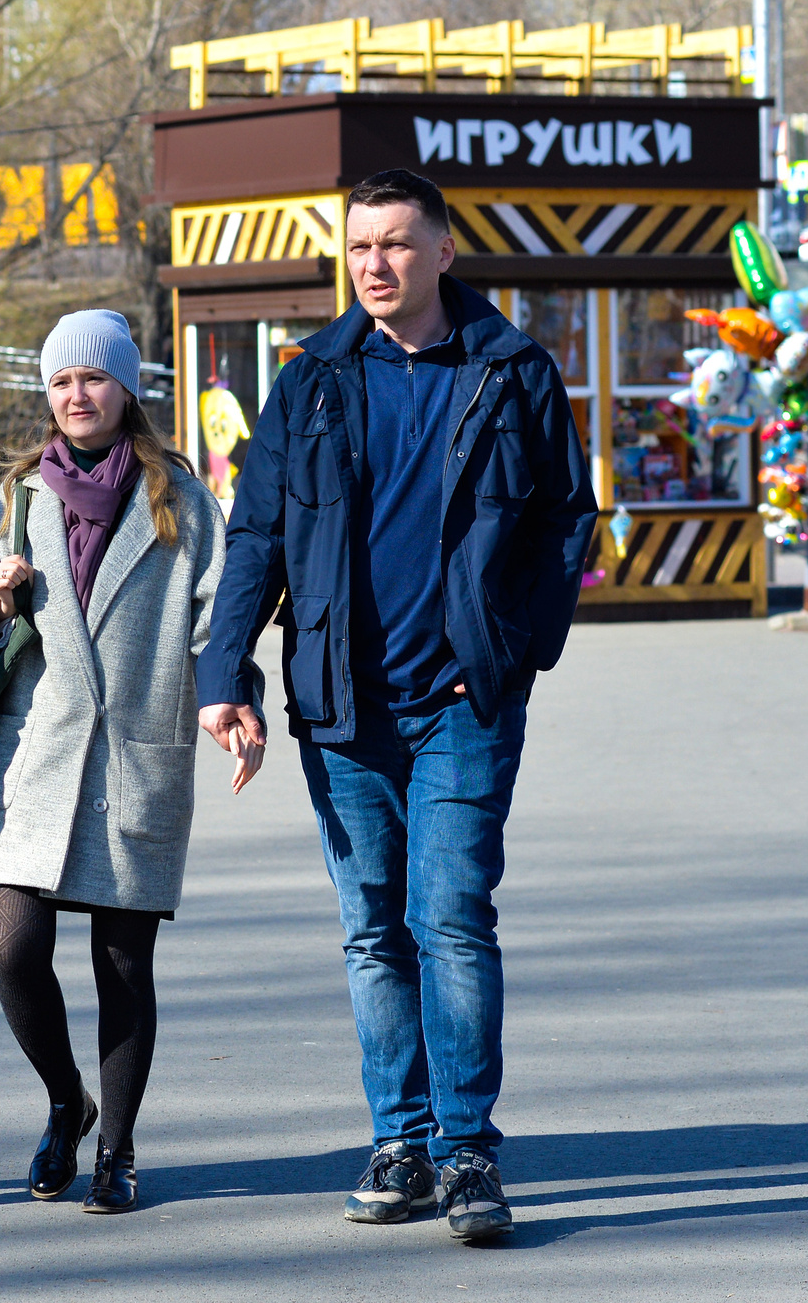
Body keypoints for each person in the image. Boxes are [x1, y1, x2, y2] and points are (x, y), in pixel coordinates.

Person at [196, 168, 596, 1245]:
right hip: (339, 705)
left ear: (442, 251)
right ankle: (400, 1140)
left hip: (463, 701)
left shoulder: (510, 370)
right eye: (359, 244)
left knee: (451, 919)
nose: (374, 262)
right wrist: (221, 672)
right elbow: (258, 536)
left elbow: (569, 521)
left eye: (395, 243)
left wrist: (508, 655)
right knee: (373, 928)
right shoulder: (312, 378)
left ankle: (467, 1149)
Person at [0, 310, 226, 1214]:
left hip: (133, 756)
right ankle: (65, 1099)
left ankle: (117, 1148)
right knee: (14, 945)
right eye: (62, 381)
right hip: (33, 755)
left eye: (94, 378)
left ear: (126, 388)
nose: (77, 394)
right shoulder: (20, 494)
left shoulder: (183, 502)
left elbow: (220, 621)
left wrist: (238, 697)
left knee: (122, 966)